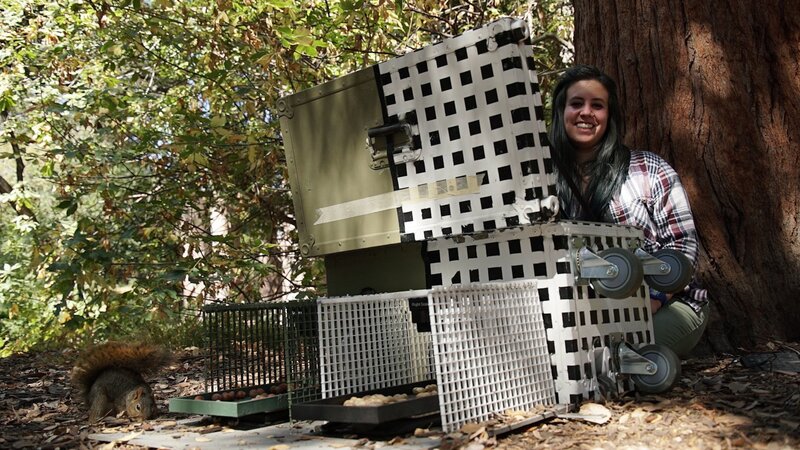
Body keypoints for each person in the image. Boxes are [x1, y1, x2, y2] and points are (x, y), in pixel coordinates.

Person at [547, 64, 709, 358]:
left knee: (614, 358)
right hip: (583, 311)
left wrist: (655, 298)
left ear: (610, 116)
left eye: (597, 105)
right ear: (561, 112)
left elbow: (683, 245)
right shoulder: (544, 180)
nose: (586, 112)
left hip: (666, 304)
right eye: (576, 103)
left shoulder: (648, 169)